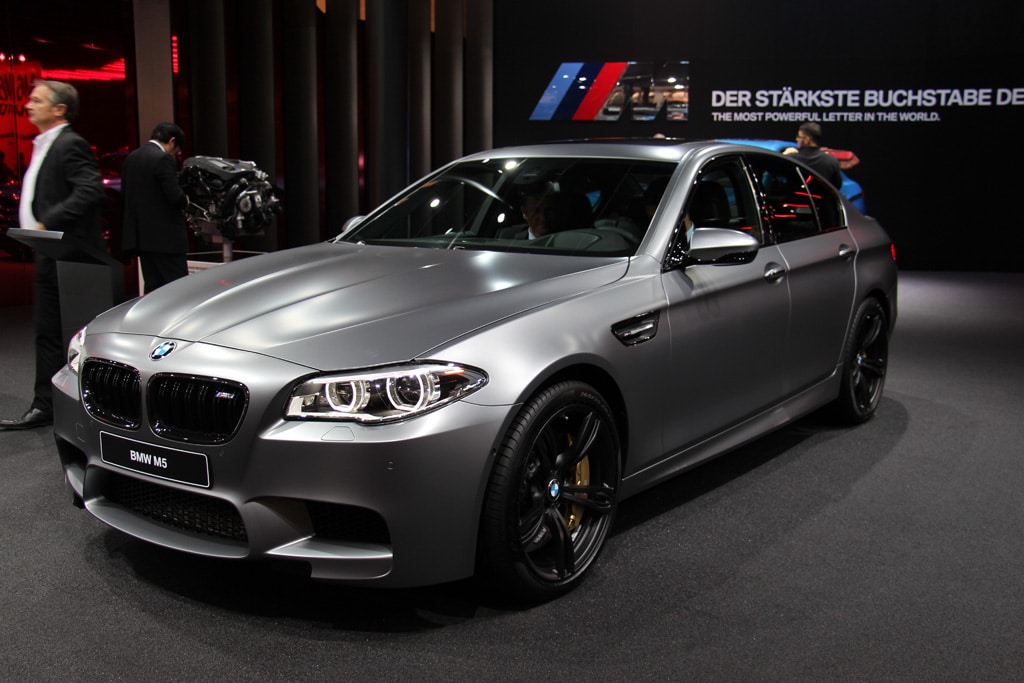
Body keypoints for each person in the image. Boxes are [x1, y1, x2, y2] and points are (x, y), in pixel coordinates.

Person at [1, 80, 104, 430]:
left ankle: (87, 407)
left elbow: (89, 190)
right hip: (49, 253)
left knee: (75, 335)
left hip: (69, 256)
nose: (28, 105)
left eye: (37, 100)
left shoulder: (70, 143)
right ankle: (45, 405)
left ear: (59, 109)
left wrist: (48, 222)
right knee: (46, 332)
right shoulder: (45, 144)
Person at [121, 122, 190, 294]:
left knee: (152, 289)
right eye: (176, 150)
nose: (175, 154)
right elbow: (175, 197)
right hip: (167, 241)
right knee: (179, 290)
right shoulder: (163, 159)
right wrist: (186, 200)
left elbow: (126, 194)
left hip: (142, 240)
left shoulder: (132, 157)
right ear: (172, 141)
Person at [789, 121, 843, 188]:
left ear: (807, 140)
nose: (797, 139)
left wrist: (784, 155)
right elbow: (837, 186)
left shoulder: (792, 159)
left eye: (799, 137)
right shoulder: (831, 161)